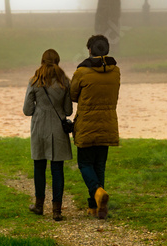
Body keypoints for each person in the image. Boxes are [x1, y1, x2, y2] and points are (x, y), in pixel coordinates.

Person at [70, 35, 120, 219]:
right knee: (100, 165)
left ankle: (97, 193)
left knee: (84, 163)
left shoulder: (81, 72)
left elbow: (73, 95)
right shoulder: (116, 72)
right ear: (106, 50)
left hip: (87, 124)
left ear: (90, 50)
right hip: (107, 123)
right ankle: (96, 207)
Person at [23, 49, 73, 221]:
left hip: (39, 128)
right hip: (58, 128)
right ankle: (57, 210)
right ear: (58, 61)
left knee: (39, 167)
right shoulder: (65, 81)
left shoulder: (35, 81)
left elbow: (27, 110)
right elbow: (68, 110)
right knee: (57, 169)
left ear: (42, 61)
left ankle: (38, 205)